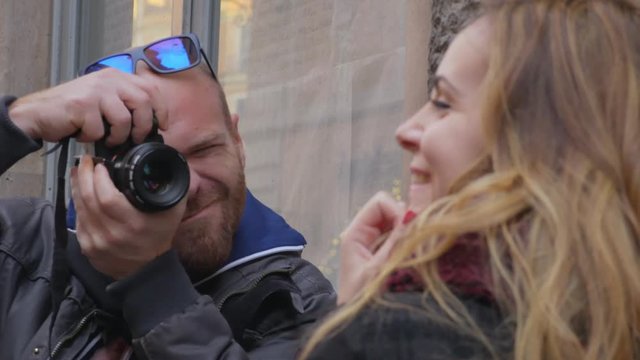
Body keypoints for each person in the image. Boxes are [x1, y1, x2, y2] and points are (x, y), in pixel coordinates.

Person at [301, 0, 640, 359]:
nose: (406, 130)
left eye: (443, 103)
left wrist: (355, 328)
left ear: (531, 147)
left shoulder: (395, 337)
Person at [0, 33, 335, 359]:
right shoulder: (23, 250)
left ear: (238, 142)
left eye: (205, 149)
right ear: (92, 171)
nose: (187, 186)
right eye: (156, 168)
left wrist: (150, 285)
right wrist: (19, 120)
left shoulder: (295, 305)